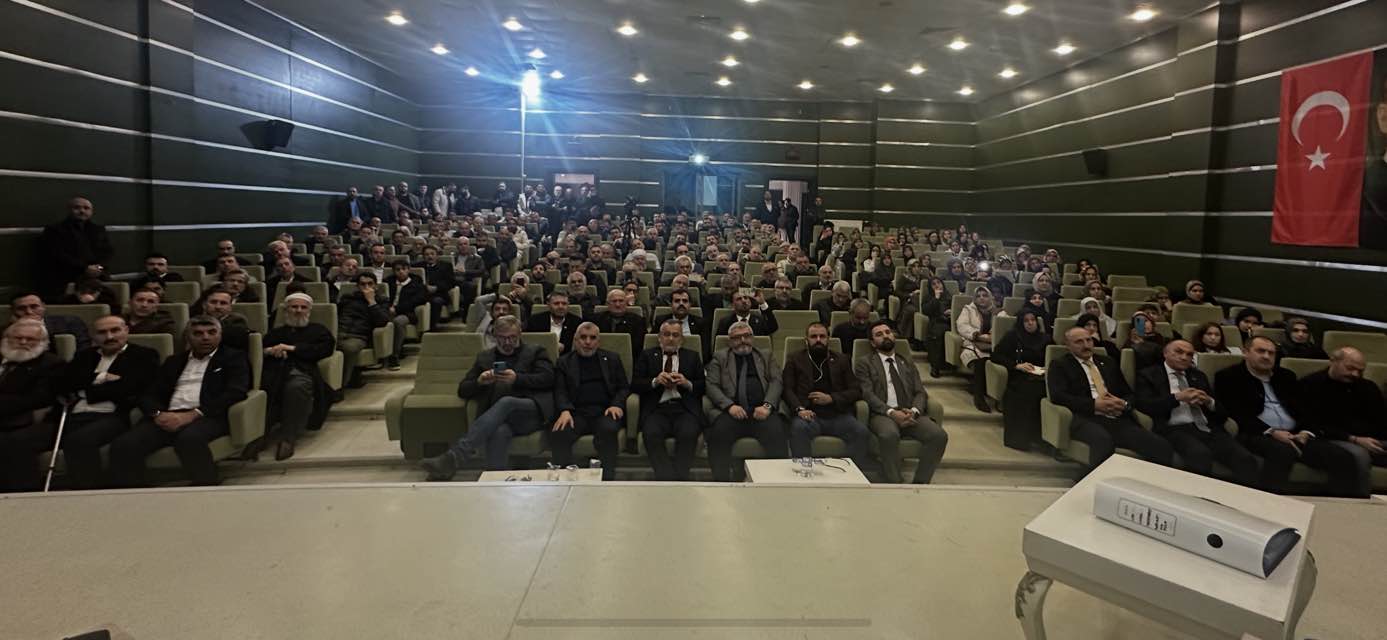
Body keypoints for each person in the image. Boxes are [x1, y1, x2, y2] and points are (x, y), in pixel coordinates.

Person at [108, 316, 250, 487]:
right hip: (167, 415)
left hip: (207, 415)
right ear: (188, 337)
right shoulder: (174, 361)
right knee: (124, 444)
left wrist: (192, 415)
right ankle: (135, 493)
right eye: (198, 333)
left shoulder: (234, 358)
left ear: (220, 335)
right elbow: (149, 394)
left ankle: (206, 487)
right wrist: (158, 414)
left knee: (189, 439)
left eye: (211, 332)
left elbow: (235, 392)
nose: (205, 337)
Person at [1216, 336, 1359, 496]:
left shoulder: (1286, 376)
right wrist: (1272, 432)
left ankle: (1338, 504)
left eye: (1271, 353)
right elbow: (1237, 413)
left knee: (1343, 457)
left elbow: (1304, 409)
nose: (1266, 356)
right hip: (1257, 433)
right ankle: (1271, 503)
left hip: (1295, 434)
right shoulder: (1229, 377)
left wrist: (1306, 431)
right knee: (1282, 452)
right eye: (1261, 351)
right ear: (1245, 352)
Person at [420, 316, 555, 478]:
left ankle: (455, 456)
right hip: (498, 419)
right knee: (499, 431)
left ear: (520, 334)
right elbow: (463, 390)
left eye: (512, 337)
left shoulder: (535, 352)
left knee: (507, 402)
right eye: (502, 338)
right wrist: (479, 382)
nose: (508, 342)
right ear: (494, 335)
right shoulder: (485, 358)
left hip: (531, 413)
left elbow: (549, 379)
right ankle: (495, 480)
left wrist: (518, 379)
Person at [1047, 327, 1174, 470]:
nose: (1086, 345)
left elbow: (1128, 393)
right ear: (1068, 346)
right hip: (1085, 417)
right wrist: (1094, 405)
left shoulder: (1108, 362)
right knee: (1102, 441)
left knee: (1160, 445)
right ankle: (1092, 480)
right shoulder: (1060, 365)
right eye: (1079, 342)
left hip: (1116, 417)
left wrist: (1124, 403)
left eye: (1088, 340)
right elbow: (1059, 396)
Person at [1135, 340, 1259, 486]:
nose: (1184, 357)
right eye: (1179, 352)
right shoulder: (1148, 375)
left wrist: (1208, 401)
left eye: (1189, 354)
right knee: (1200, 454)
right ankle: (1197, 497)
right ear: (1165, 353)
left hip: (1208, 428)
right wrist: (1177, 398)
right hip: (1174, 429)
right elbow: (1145, 405)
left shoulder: (1198, 376)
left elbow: (1222, 412)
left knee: (1246, 459)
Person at [854, 321, 948, 483]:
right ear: (872, 343)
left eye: (887, 332)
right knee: (889, 434)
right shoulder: (865, 363)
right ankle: (895, 481)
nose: (885, 336)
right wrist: (892, 412)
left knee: (939, 435)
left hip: (909, 412)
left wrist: (914, 411)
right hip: (882, 414)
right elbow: (867, 394)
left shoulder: (907, 362)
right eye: (879, 334)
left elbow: (920, 392)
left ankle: (921, 483)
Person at [1296, 347, 1387, 498]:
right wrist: (1355, 439)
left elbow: (1381, 420)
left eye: (1360, 371)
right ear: (1333, 361)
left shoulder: (1368, 387)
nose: (1355, 374)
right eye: (1350, 368)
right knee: (1359, 456)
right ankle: (1360, 502)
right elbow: (1314, 424)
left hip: (1371, 438)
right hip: (1333, 438)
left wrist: (1378, 441)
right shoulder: (1311, 384)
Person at [704, 321, 788, 481]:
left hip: (762, 411)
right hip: (732, 412)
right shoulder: (720, 357)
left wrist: (767, 406)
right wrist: (729, 406)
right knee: (718, 435)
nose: (743, 340)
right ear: (730, 341)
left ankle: (775, 483)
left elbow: (776, 381)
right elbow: (711, 385)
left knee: (777, 434)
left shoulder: (766, 355)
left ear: (752, 338)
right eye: (737, 337)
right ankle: (721, 483)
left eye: (747, 336)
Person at [255, 293, 335, 461]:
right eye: (294, 307)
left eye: (303, 307)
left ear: (309, 311)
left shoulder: (318, 330)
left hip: (303, 372)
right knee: (264, 388)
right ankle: (259, 435)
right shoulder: (276, 332)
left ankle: (288, 437)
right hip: (275, 372)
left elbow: (325, 349)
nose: (298, 311)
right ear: (286, 310)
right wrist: (270, 351)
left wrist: (292, 348)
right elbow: (259, 349)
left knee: (296, 387)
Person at [783, 323, 868, 469]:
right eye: (813, 336)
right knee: (799, 429)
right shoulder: (795, 359)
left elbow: (856, 390)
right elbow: (787, 389)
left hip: (838, 415)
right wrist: (799, 409)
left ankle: (850, 473)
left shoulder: (842, 360)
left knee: (861, 432)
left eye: (822, 336)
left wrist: (831, 398)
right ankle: (804, 472)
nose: (818, 340)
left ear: (828, 339)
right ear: (806, 340)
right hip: (808, 415)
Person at [549, 323, 627, 479]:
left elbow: (623, 387)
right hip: (576, 412)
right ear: (575, 340)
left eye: (592, 338)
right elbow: (560, 390)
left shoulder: (612, 359)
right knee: (560, 432)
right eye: (583, 337)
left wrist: (616, 404)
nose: (588, 342)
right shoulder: (564, 362)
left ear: (598, 341)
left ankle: (607, 479)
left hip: (605, 411)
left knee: (608, 430)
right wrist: (565, 410)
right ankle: (566, 479)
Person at [632, 319, 705, 480]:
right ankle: (665, 478)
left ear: (682, 339)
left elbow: (703, 386)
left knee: (688, 434)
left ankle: (680, 478)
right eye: (666, 334)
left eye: (675, 335)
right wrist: (655, 381)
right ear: (659, 337)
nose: (670, 339)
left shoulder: (692, 357)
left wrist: (687, 383)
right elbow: (635, 383)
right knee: (651, 434)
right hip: (657, 409)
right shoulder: (647, 355)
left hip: (684, 409)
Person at [0, 320, 66, 491]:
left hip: (34, 422)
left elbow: (38, 399)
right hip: (10, 418)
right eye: (18, 338)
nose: (23, 342)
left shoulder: (52, 364)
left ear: (43, 343)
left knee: (13, 442)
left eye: (30, 339)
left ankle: (21, 495)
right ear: (6, 339)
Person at [992, 308, 1051, 451]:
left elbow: (1054, 357)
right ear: (1020, 323)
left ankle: (1044, 438)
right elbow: (996, 355)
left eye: (1033, 320)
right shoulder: (1013, 336)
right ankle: (1024, 438)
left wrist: (1046, 367)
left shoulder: (1046, 339)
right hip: (1020, 376)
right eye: (1026, 321)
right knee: (1028, 393)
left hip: (1042, 376)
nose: (1030, 323)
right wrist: (1016, 365)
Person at [37, 197, 113, 301]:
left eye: (86, 208)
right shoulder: (54, 230)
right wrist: (85, 268)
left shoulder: (98, 229)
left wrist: (99, 268)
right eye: (77, 208)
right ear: (69, 210)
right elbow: (57, 254)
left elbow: (107, 251)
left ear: (91, 211)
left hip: (98, 276)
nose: (82, 211)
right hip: (67, 278)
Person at [337, 273, 390, 389]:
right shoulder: (348, 299)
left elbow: (382, 321)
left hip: (359, 336)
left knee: (348, 348)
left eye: (370, 284)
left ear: (376, 286)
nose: (366, 287)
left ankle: (339, 387)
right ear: (358, 286)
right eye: (363, 284)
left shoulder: (381, 300)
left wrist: (372, 302)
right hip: (339, 332)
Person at [958, 286, 1002, 413]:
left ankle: (999, 398)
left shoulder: (999, 312)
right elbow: (962, 326)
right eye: (978, 296)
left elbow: (1006, 326)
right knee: (980, 361)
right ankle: (979, 397)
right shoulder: (968, 309)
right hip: (972, 343)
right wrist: (979, 336)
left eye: (985, 295)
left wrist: (994, 335)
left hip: (994, 345)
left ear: (990, 297)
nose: (982, 298)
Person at [9, 291, 92, 353]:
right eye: (21, 308)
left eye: (34, 307)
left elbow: (85, 350)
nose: (29, 312)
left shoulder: (69, 322)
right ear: (13, 311)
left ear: (43, 306)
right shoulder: (8, 330)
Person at [385, 260, 427, 369]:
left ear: (408, 270)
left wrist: (397, 309)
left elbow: (417, 301)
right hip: (388, 311)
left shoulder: (416, 284)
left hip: (407, 313)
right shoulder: (388, 282)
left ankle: (394, 355)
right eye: (398, 270)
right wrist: (388, 308)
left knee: (398, 321)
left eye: (404, 269)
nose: (401, 272)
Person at [653, 289, 710, 357]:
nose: (681, 303)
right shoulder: (661, 321)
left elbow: (705, 351)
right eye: (677, 301)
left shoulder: (701, 323)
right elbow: (654, 345)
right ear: (670, 304)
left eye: (685, 301)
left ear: (690, 305)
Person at [413, 245, 456, 327]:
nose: (430, 256)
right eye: (427, 254)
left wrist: (436, 288)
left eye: (432, 254)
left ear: (437, 255)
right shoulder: (417, 266)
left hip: (439, 293)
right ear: (423, 256)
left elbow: (451, 283)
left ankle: (431, 326)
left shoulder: (446, 266)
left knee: (436, 301)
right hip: (421, 293)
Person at [592, 288, 644, 354]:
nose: (617, 305)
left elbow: (639, 347)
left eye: (621, 301)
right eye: (614, 301)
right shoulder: (596, 319)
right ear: (607, 304)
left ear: (626, 303)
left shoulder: (638, 321)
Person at [919, 277, 951, 378]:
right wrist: (936, 298)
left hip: (950, 321)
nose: (937, 285)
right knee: (938, 334)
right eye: (934, 284)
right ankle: (935, 366)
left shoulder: (949, 296)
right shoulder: (928, 297)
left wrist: (951, 312)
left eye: (939, 282)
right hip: (936, 322)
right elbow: (926, 310)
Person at [714, 288, 779, 337]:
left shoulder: (759, 320)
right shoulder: (725, 322)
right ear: (732, 305)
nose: (744, 301)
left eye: (745, 298)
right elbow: (719, 344)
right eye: (739, 299)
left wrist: (762, 303)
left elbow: (773, 328)